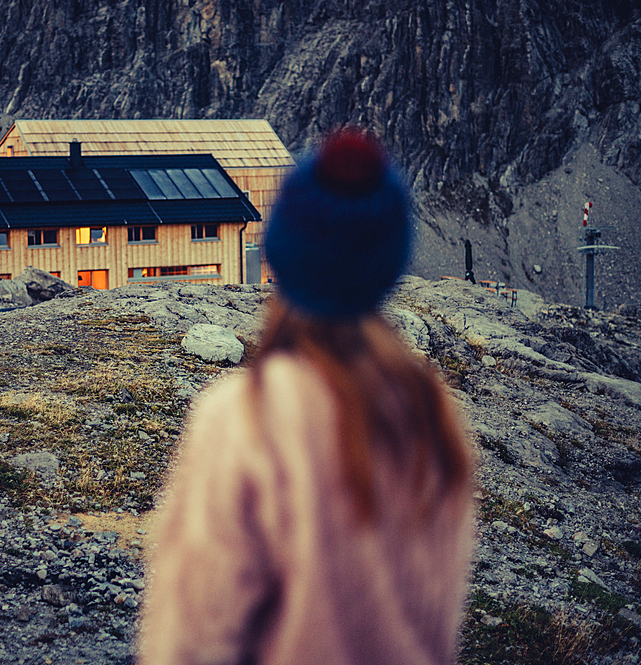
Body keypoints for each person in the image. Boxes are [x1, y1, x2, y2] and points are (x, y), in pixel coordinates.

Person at [139, 127, 474, 665]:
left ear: (285, 255)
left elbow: (192, 638)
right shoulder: (432, 414)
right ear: (386, 266)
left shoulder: (240, 417)